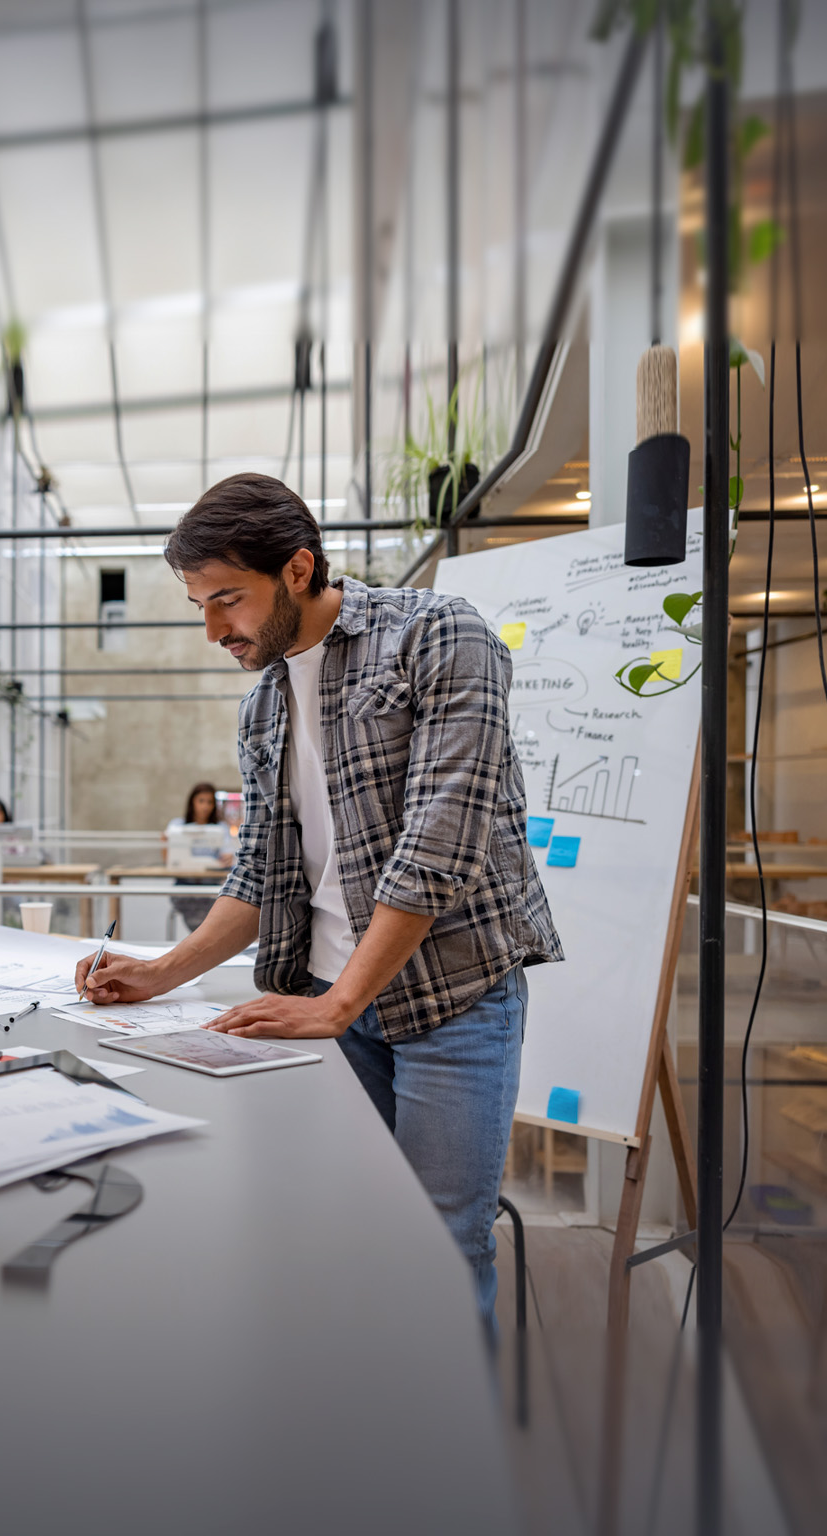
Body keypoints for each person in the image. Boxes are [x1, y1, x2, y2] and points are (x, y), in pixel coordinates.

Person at [75, 472, 562, 1327]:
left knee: (443, 1247)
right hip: (330, 1009)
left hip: (449, 1003)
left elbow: (438, 850)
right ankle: (365, 1436)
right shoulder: (265, 704)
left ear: (298, 570)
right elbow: (265, 875)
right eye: (199, 604)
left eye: (228, 599)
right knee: (350, 1236)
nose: (213, 628)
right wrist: (160, 972)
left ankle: (445, 1456)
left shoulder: (440, 636)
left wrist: (341, 1002)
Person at [165, 781, 234, 933]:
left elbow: (226, 853)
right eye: (201, 801)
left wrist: (228, 858)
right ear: (192, 802)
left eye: (209, 802)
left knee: (216, 912)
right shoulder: (177, 826)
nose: (205, 806)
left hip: (211, 888)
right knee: (203, 922)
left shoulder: (221, 828)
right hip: (184, 888)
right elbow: (168, 854)